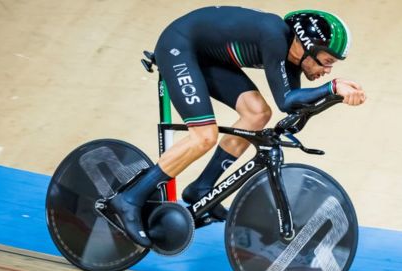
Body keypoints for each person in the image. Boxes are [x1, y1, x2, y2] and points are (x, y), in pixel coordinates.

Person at [109, 6, 367, 247]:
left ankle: (202, 188)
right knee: (204, 137)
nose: (328, 69)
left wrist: (332, 98)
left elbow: (291, 106)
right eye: (326, 61)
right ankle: (129, 198)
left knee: (257, 113)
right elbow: (288, 100)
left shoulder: (291, 57)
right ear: (305, 46)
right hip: (179, 45)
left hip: (206, 56)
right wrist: (332, 88)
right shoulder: (273, 35)